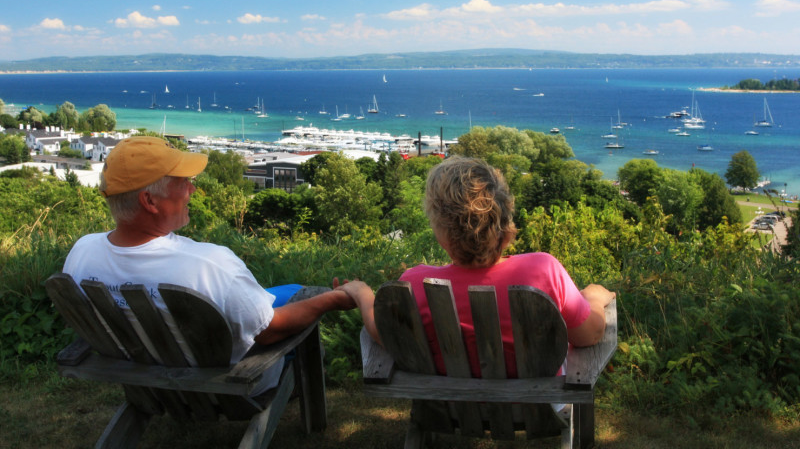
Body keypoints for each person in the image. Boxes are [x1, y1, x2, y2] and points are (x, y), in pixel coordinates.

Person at [63, 135, 368, 393]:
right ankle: (308, 401)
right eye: (183, 183)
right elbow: (269, 333)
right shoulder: (208, 265)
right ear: (150, 202)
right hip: (224, 382)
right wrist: (332, 300)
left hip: (144, 376)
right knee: (305, 301)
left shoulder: (82, 253)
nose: (192, 190)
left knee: (291, 291)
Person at [346, 156, 614, 380]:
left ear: (441, 232)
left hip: (447, 410)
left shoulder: (414, 284)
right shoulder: (543, 271)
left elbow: (385, 335)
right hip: (537, 408)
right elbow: (588, 335)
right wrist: (595, 299)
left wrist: (360, 292)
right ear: (505, 222)